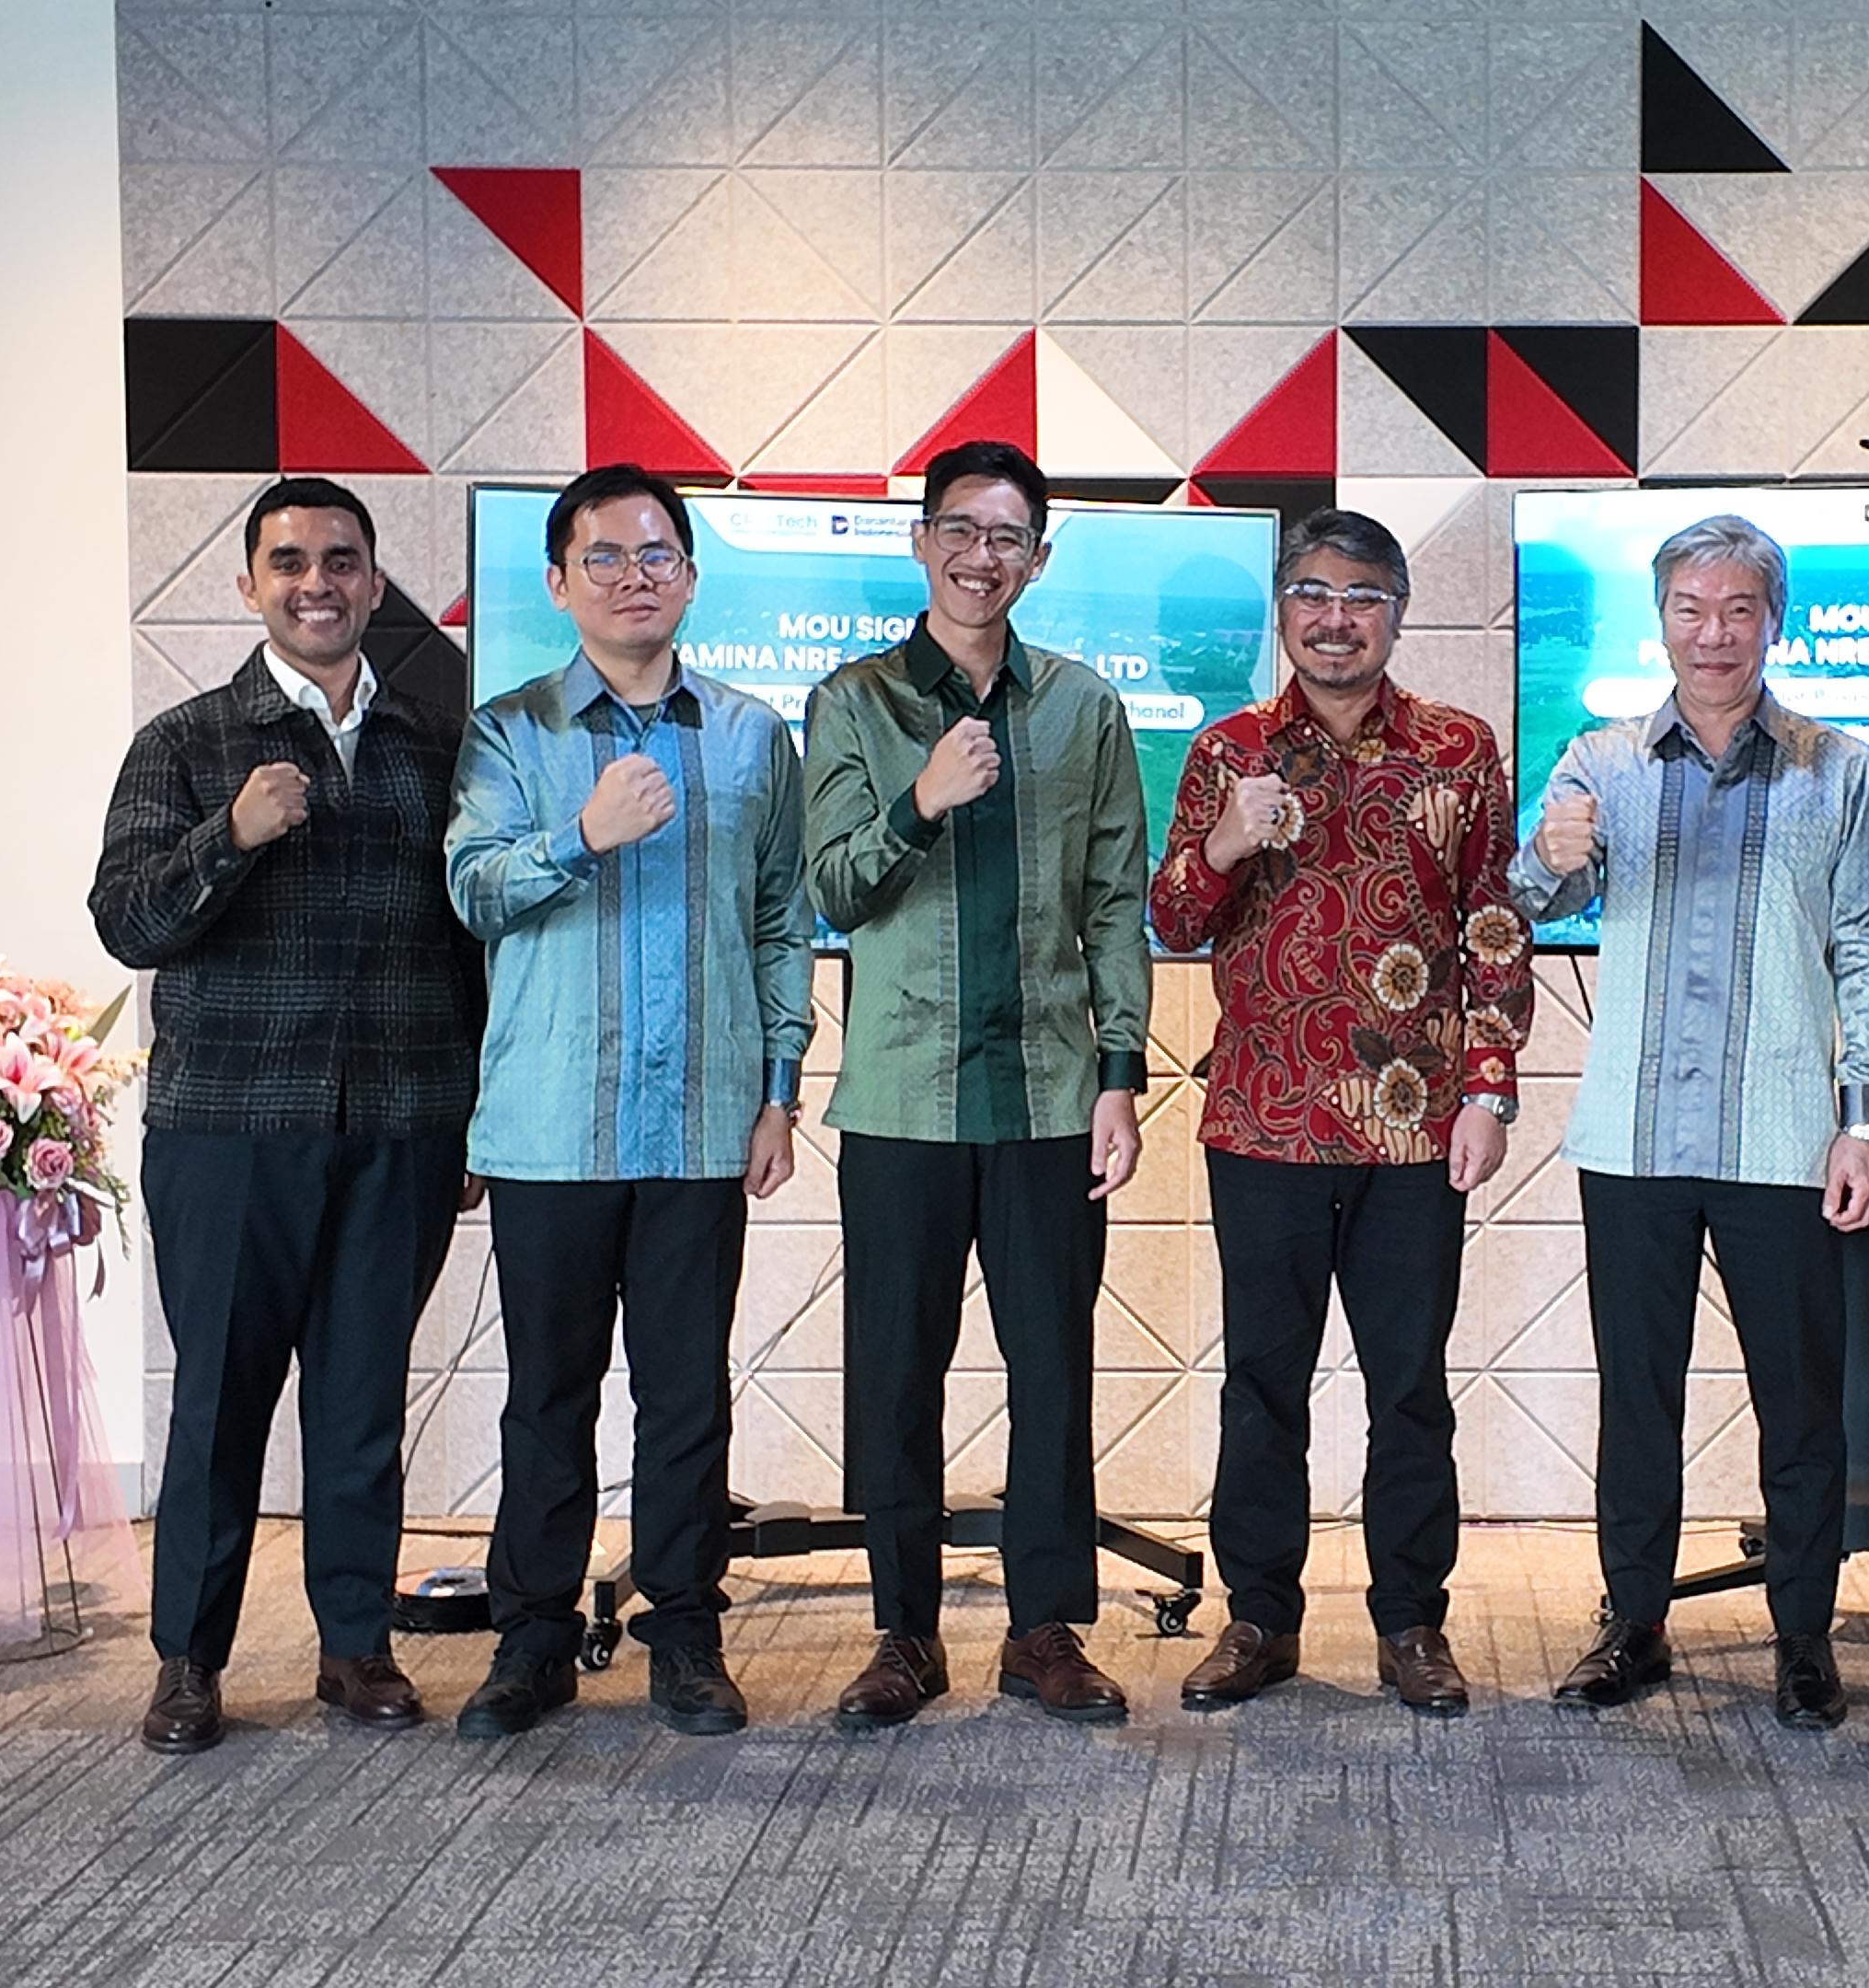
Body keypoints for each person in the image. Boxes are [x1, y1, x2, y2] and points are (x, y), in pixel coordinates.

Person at [92, 477, 484, 1755]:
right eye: (291, 561)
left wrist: (472, 1113)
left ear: (373, 580)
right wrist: (233, 833)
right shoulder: (185, 743)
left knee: (363, 1402)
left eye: (342, 560)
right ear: (250, 583)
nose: (318, 583)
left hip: (403, 1124)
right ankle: (189, 1660)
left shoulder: (433, 745)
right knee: (220, 1403)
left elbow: (469, 946)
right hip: (228, 1133)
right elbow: (128, 921)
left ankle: (355, 1646)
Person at [1511, 514, 1869, 1731]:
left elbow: (1867, 945)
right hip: (1630, 1138)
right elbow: (1525, 903)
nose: (1715, 633)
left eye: (1739, 609)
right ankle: (1632, 1622)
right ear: (1662, 620)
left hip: (1783, 1133)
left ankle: (1804, 1636)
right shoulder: (1600, 761)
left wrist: (1865, 1121)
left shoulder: (1843, 772)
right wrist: (1546, 855)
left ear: (1774, 623)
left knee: (1803, 1399)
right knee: (1639, 1395)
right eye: (1692, 609)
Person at [442, 463, 813, 1739]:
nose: (633, 577)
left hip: (702, 1123)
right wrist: (582, 835)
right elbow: (472, 891)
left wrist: (779, 1088)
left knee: (687, 1395)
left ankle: (686, 1635)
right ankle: (532, 1640)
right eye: (603, 557)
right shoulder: (510, 732)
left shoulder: (754, 735)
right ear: (559, 584)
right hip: (550, 1125)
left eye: (657, 555)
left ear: (691, 578)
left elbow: (781, 922)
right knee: (548, 1394)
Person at [1148, 508, 1532, 1717]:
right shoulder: (1229, 750)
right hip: (1263, 1120)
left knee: (1407, 1385)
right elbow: (1173, 919)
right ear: (1283, 610)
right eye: (1312, 593)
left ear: (1397, 613)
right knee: (1261, 1385)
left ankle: (1413, 1623)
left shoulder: (1459, 748)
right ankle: (1257, 1619)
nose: (1335, 618)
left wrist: (1491, 1088)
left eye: (1362, 596)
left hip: (1416, 1128)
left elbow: (1493, 925)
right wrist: (1225, 840)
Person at [801, 439, 1153, 1728]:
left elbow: (1114, 901)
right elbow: (834, 887)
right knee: (896, 1369)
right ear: (921, 543)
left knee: (1052, 1366)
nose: (980, 555)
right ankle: (903, 1632)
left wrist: (1121, 1074)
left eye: (1006, 536)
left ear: (1037, 559)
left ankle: (1043, 1630)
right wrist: (920, 802)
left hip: (1053, 1094)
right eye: (958, 529)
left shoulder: (1084, 706)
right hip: (902, 1094)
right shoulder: (852, 703)